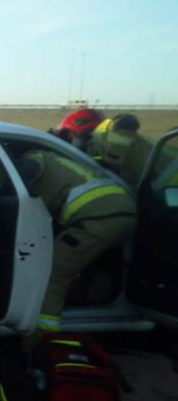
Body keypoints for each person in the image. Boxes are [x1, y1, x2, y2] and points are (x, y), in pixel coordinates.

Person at [16, 148, 137, 345]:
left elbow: (30, 170)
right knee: (91, 264)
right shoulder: (59, 159)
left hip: (95, 221)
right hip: (126, 213)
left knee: (52, 275)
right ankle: (92, 301)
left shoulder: (33, 158)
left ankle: (44, 339)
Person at [85, 114, 153, 191]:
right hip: (136, 178)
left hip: (145, 180)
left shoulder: (110, 129)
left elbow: (112, 160)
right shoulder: (109, 131)